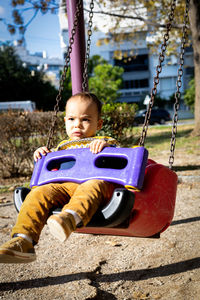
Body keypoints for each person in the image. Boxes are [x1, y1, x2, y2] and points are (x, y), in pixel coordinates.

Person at [0, 92, 120, 264]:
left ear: (98, 124)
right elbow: (52, 169)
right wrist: (42, 154)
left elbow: (121, 156)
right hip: (63, 186)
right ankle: (23, 241)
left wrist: (107, 147)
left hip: (92, 184)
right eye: (71, 119)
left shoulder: (103, 141)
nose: (77, 125)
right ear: (65, 122)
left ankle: (69, 218)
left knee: (93, 185)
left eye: (85, 119)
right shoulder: (62, 147)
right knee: (40, 192)